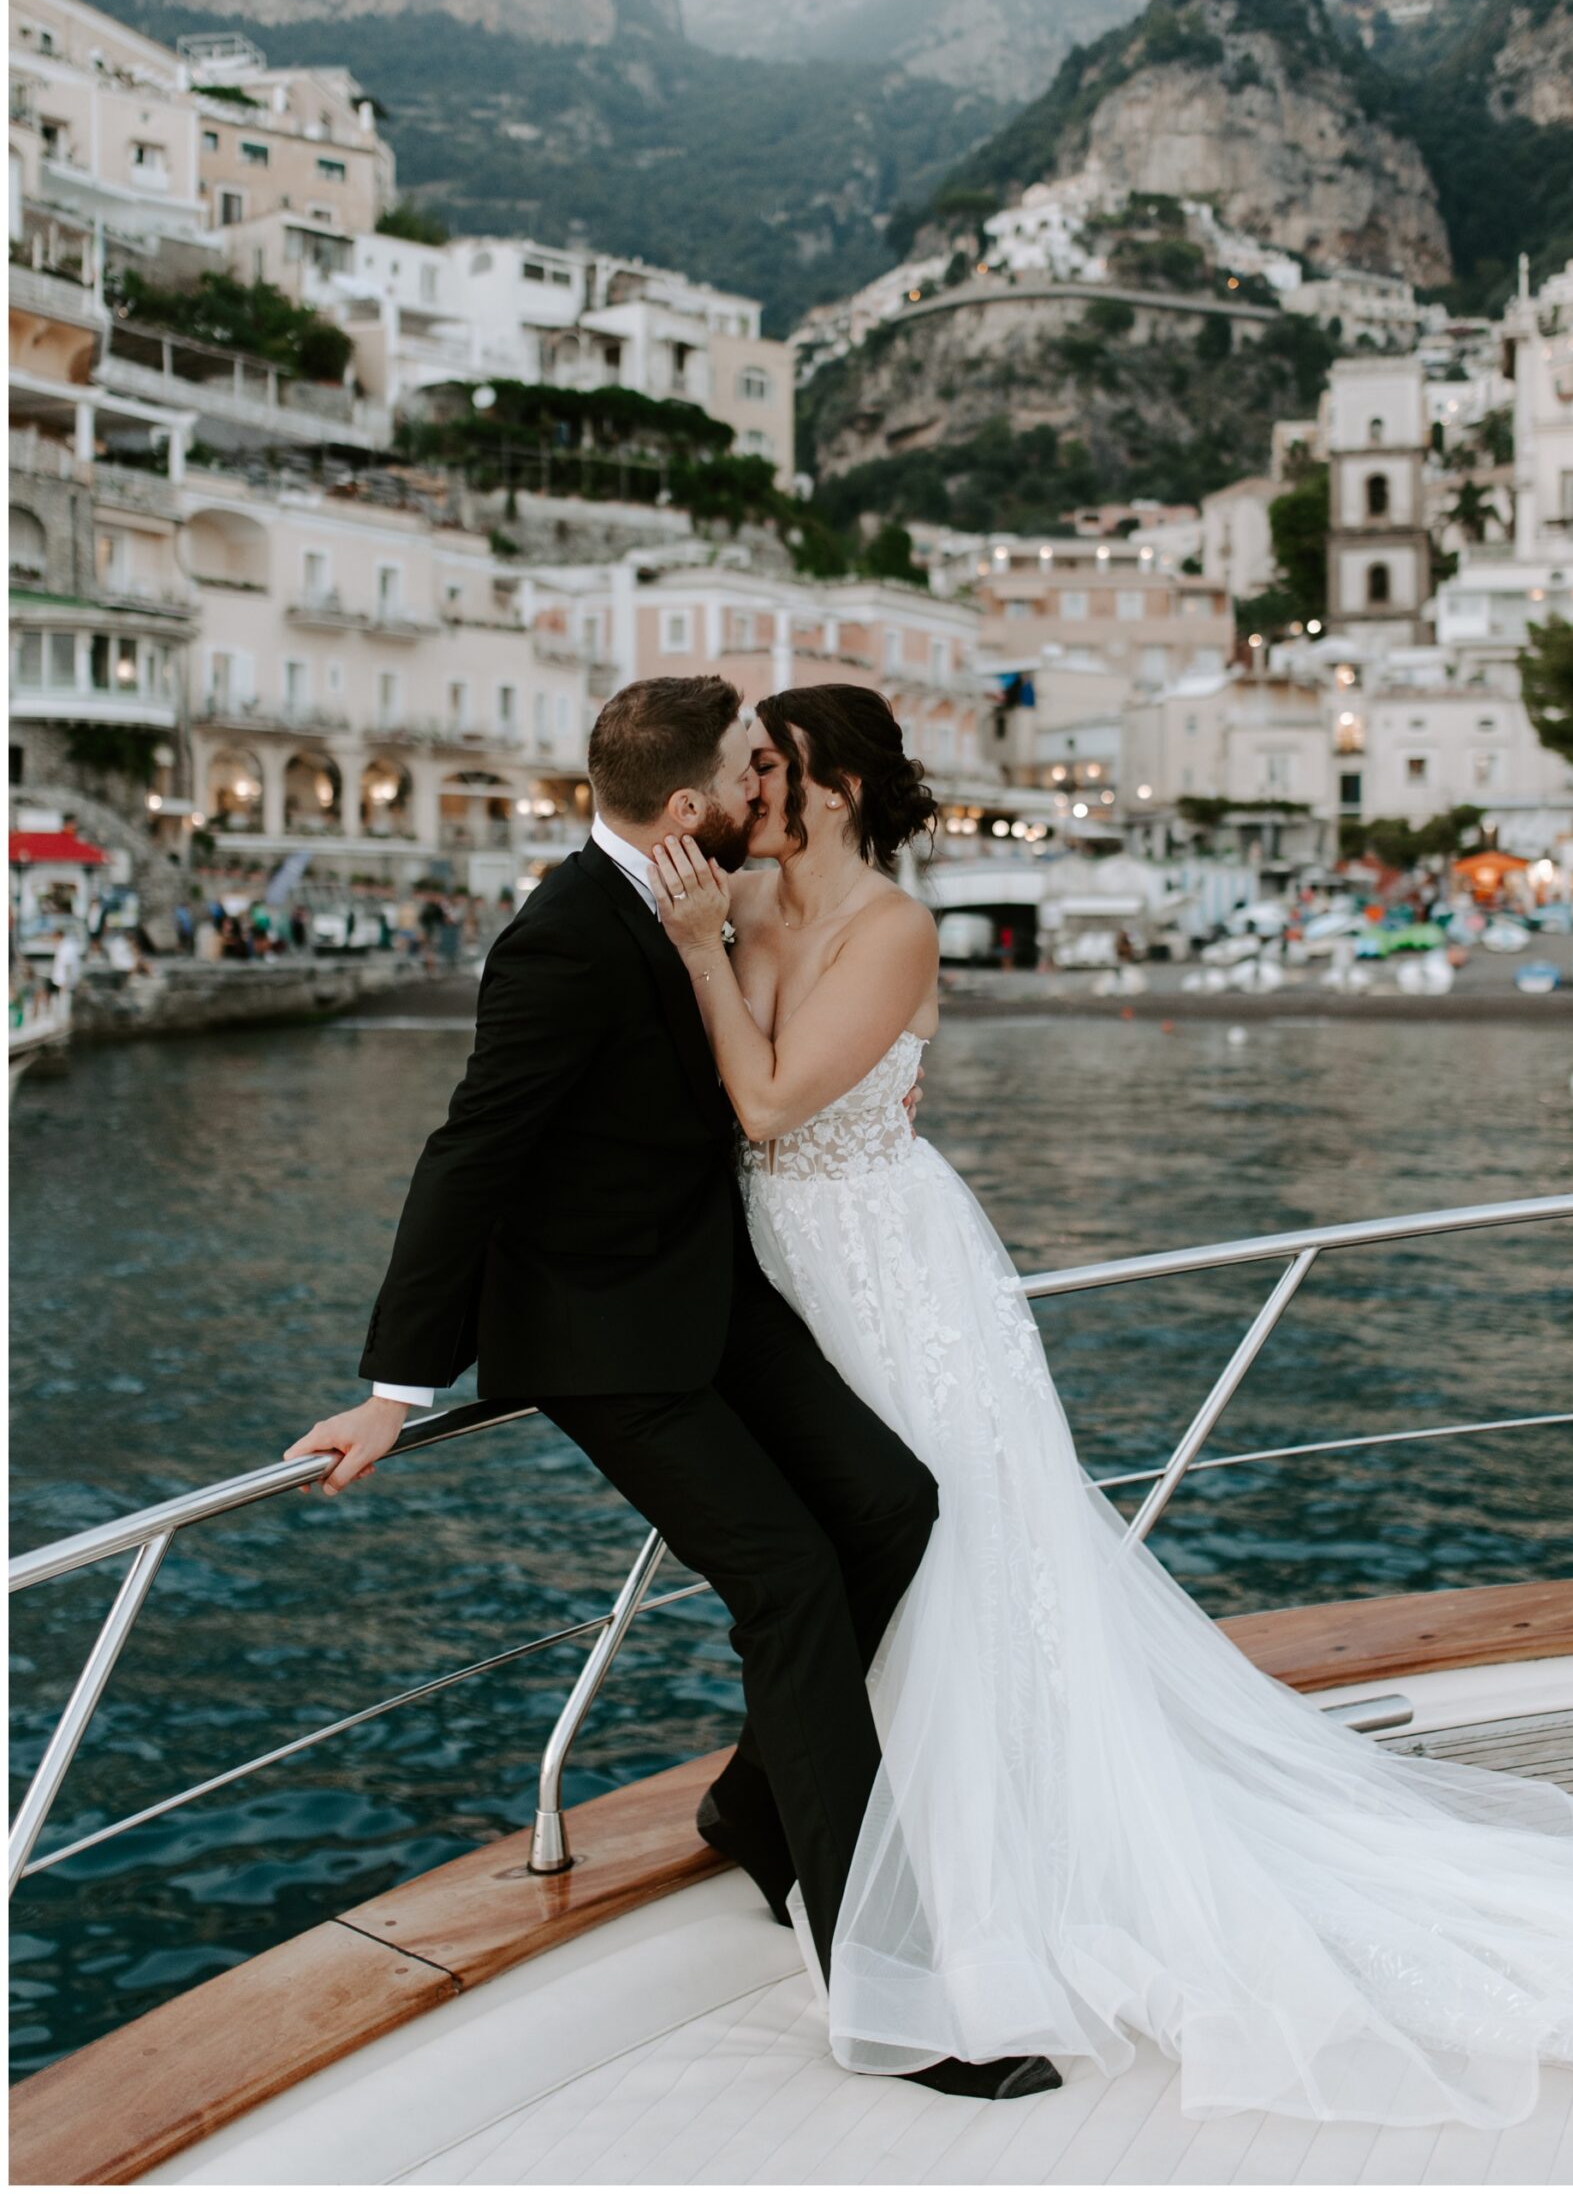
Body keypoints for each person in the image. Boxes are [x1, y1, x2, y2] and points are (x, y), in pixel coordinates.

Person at [642, 682, 1573, 2125]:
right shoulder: (754, 913)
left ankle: (934, 1857)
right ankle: (787, 1808)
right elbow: (727, 1107)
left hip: (895, 1269)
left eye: (769, 768)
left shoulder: (889, 929)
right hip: (790, 1273)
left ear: (830, 789)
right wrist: (710, 949)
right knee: (831, 1551)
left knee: (952, 1553)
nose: (744, 789)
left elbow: (768, 1104)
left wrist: (702, 953)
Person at [282, 676, 1055, 2105]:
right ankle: (890, 1993)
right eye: (748, 769)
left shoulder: (705, 895)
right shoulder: (563, 937)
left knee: (894, 1504)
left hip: (711, 1291)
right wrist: (395, 1385)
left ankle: (754, 1803)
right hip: (601, 1338)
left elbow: (757, 1075)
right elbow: (472, 1153)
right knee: (791, 1580)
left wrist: (880, 1077)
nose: (765, 784)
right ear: (692, 803)